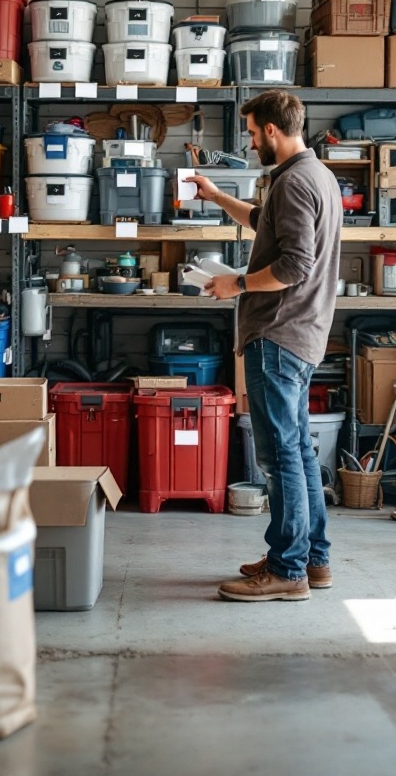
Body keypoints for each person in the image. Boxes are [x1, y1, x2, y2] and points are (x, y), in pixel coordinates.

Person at [191, 89, 342, 602]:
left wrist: (236, 283)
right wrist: (215, 197)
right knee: (297, 452)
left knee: (279, 457)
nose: (251, 141)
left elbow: (294, 265)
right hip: (299, 333)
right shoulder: (312, 176)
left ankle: (287, 569)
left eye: (254, 132)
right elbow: (262, 223)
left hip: (278, 332)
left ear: (273, 131)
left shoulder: (295, 183)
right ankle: (311, 559)